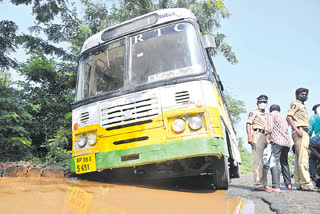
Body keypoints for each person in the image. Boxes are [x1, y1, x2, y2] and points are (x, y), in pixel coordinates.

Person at [286, 88, 315, 191]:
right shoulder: (296, 104)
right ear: (297, 95)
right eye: (302, 94)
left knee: (299, 158)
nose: (305, 96)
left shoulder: (303, 105)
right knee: (303, 158)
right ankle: (307, 183)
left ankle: (299, 183)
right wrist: (296, 130)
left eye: (306, 94)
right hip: (300, 131)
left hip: (302, 131)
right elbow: (289, 117)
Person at [264, 104, 291, 193]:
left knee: (274, 163)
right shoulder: (282, 117)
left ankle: (276, 186)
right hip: (286, 142)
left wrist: (267, 138)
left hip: (277, 142)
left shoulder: (270, 115)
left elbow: (269, 127)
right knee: (284, 163)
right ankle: (288, 184)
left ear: (271, 110)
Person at [246, 95, 269, 191]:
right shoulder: (253, 112)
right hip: (257, 135)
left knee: (265, 161)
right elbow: (248, 124)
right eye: (260, 102)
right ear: (257, 103)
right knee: (257, 160)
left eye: (264, 102)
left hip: (266, 137)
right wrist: (249, 136)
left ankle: (264, 183)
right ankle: (257, 183)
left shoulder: (267, 115)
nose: (262, 103)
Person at [308, 104, 320, 184]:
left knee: (312, 159)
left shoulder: (313, 117)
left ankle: (317, 176)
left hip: (318, 140)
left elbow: (309, 132)